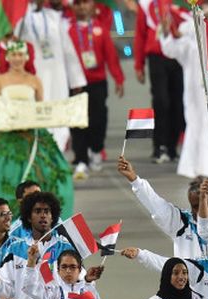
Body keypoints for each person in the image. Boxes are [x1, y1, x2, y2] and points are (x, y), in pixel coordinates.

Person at [0, 40, 75, 219]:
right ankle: (8, 216)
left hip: (32, 136)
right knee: (5, 176)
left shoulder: (34, 80)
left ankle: (42, 215)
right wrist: (7, 113)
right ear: (8, 57)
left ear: (26, 57)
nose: (17, 59)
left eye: (20, 55)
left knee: (47, 174)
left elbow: (40, 108)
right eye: (13, 55)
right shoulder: (0, 80)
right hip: (7, 137)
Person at [18, 0, 87, 151]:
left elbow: (68, 50)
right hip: (34, 76)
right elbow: (15, 40)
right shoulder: (22, 18)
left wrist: (76, 80)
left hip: (58, 75)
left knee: (59, 115)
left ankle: (58, 152)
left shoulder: (55, 17)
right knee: (37, 116)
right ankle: (38, 153)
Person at [67, 0, 124, 179]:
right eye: (77, 4)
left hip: (97, 82)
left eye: (85, 3)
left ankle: (97, 149)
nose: (82, 7)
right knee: (77, 121)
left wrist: (118, 78)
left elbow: (111, 56)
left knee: (98, 119)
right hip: (76, 84)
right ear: (73, 8)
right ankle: (81, 159)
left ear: (92, 6)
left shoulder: (100, 29)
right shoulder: (67, 31)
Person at [160, 2, 208, 179]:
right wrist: (166, 32)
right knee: (197, 125)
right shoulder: (191, 43)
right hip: (195, 94)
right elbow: (169, 49)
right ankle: (200, 169)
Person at [134, 0, 185, 163]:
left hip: (178, 56)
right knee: (161, 101)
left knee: (178, 102)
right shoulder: (145, 3)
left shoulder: (180, 2)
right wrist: (138, 64)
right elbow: (140, 35)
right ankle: (160, 146)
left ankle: (172, 147)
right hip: (157, 57)